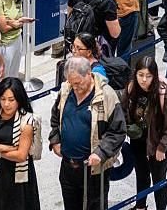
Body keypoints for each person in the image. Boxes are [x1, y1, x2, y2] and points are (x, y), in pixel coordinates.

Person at [49, 56, 127, 210]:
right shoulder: (66, 90)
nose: (75, 87)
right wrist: (55, 139)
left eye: (78, 83)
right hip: (68, 167)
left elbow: (117, 131)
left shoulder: (107, 95)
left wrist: (101, 152)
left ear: (89, 74)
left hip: (94, 171)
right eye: (71, 83)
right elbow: (55, 117)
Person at [122, 56, 167, 210]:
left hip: (158, 144)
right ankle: (140, 207)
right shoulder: (132, 88)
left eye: (148, 76)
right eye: (140, 75)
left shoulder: (165, 94)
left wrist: (162, 147)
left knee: (159, 181)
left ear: (154, 75)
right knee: (141, 176)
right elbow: (124, 108)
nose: (144, 80)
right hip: (138, 142)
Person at [0, 79, 39, 210]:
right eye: (3, 99)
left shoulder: (27, 121)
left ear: (19, 99)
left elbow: (21, 155)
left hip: (18, 177)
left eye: (11, 100)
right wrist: (3, 148)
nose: (6, 104)